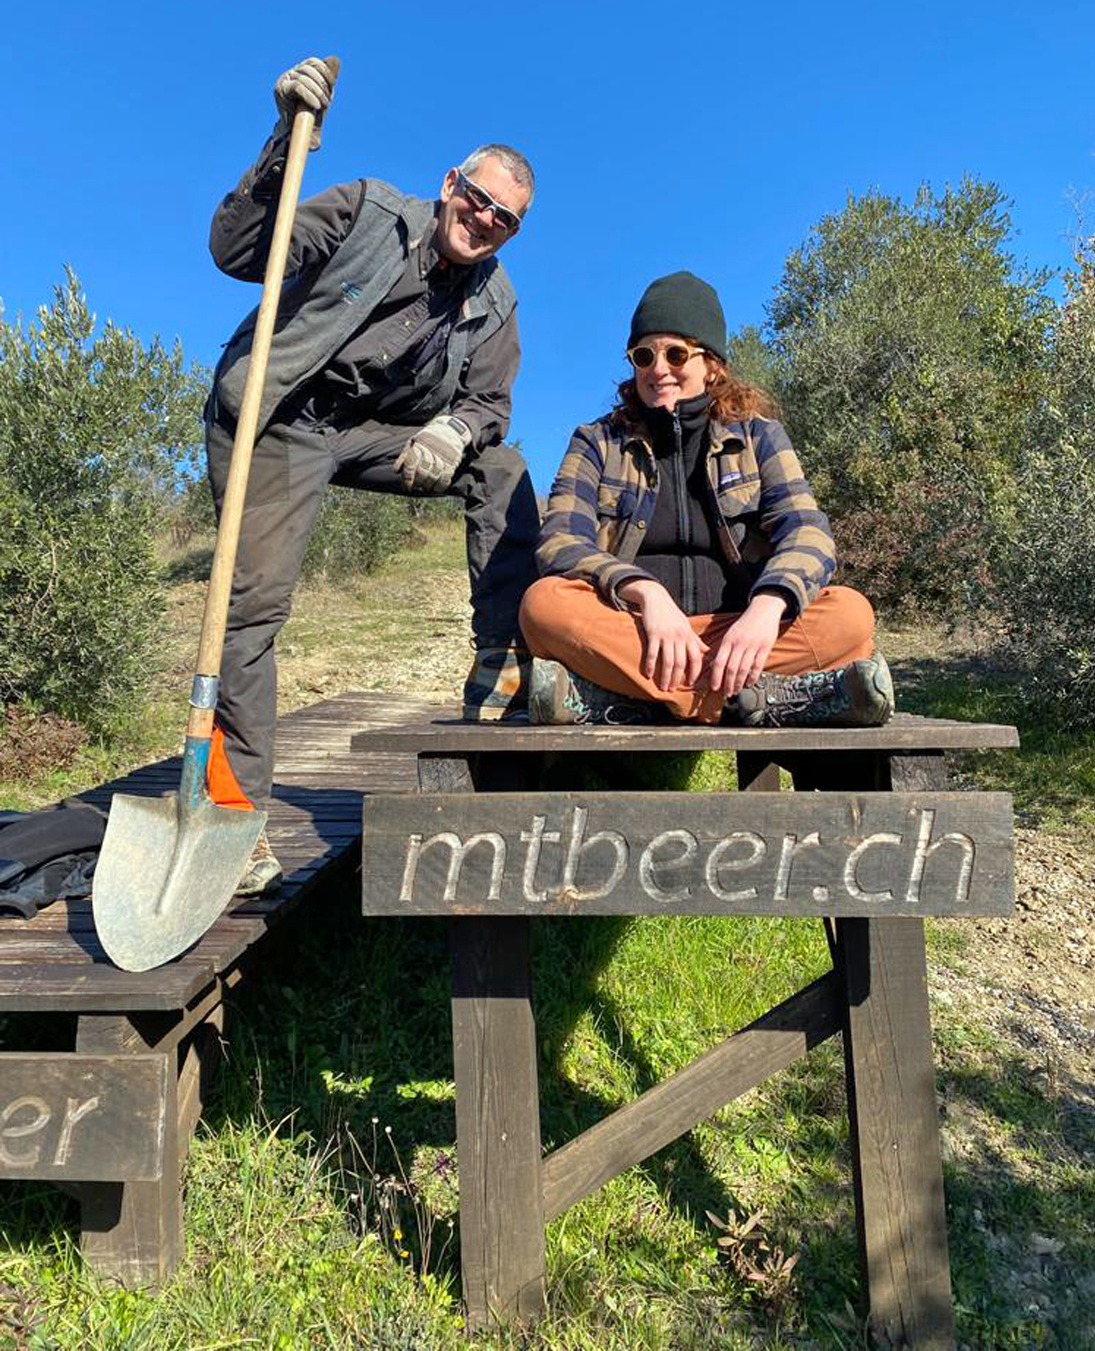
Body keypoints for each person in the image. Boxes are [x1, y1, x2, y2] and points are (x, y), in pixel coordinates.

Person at [205, 57, 540, 894]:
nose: (483, 221)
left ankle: (498, 658)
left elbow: (489, 404)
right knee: (250, 612)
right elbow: (238, 251)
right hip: (276, 416)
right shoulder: (366, 212)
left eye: (503, 219)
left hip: (365, 436)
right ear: (450, 184)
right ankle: (230, 819)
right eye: (477, 199)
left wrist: (454, 431)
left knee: (500, 466)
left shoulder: (495, 303)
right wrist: (284, 139)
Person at [520, 271, 893, 727]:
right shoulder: (597, 441)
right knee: (544, 607)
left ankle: (627, 700)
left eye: (676, 353)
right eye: (643, 356)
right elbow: (560, 541)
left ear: (712, 365)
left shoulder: (759, 437)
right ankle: (757, 700)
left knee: (851, 616)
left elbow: (807, 532)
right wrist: (646, 593)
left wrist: (766, 607)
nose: (658, 369)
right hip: (636, 633)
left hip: (739, 635)